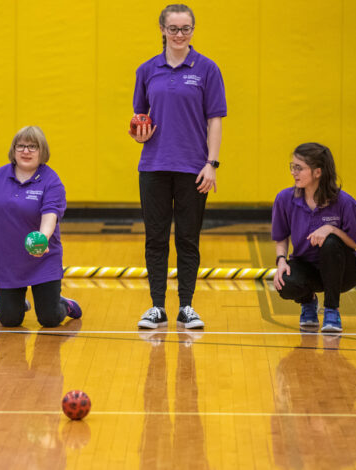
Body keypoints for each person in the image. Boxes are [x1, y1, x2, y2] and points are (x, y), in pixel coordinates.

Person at [130, 4, 226, 330]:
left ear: (193, 31)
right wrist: (138, 134)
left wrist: (211, 164)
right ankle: (157, 306)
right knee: (155, 238)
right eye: (173, 28)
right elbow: (140, 120)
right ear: (162, 29)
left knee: (188, 238)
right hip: (154, 166)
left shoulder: (207, 69)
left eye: (186, 28)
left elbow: (215, 120)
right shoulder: (147, 70)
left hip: (193, 168)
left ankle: (187, 306)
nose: (180, 35)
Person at [0, 126, 81, 327]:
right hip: (9, 261)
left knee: (48, 318)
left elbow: (50, 216)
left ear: (42, 151)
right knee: (9, 319)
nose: (26, 151)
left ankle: (65, 304)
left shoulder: (51, 180)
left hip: (43, 258)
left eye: (32, 147)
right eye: (21, 146)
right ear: (13, 150)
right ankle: (14, 304)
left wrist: (43, 240)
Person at [272, 143, 356, 333]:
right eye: (292, 166)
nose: (293, 172)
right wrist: (281, 260)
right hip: (308, 268)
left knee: (330, 242)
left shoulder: (345, 202)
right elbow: (280, 237)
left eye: (299, 168)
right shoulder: (284, 199)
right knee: (284, 282)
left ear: (318, 172)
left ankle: (331, 310)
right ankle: (308, 302)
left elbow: (355, 242)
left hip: (343, 271)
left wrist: (331, 229)